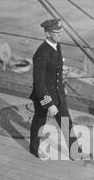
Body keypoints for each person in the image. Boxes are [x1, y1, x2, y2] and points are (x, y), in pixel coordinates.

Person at [29, 18, 83, 160]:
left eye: (61, 32)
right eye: (57, 32)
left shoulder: (56, 46)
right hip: (43, 96)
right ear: (47, 34)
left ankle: (75, 152)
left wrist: (62, 87)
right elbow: (39, 83)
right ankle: (34, 149)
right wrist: (49, 104)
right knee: (39, 121)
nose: (60, 35)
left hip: (57, 93)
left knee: (66, 122)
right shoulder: (41, 53)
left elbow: (56, 72)